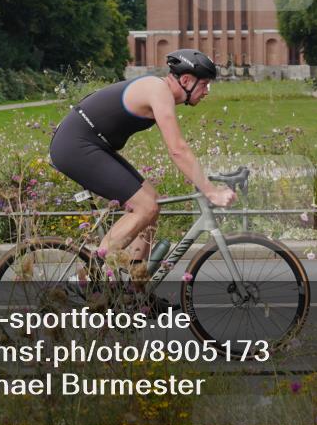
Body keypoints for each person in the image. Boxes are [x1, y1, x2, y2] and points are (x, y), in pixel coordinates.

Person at [49, 49, 236, 266]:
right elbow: (177, 149)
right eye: (204, 85)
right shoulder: (158, 90)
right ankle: (93, 275)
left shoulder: (159, 91)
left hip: (91, 144)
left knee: (152, 203)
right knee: (146, 206)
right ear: (186, 80)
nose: (206, 92)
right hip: (76, 145)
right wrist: (210, 191)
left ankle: (135, 287)